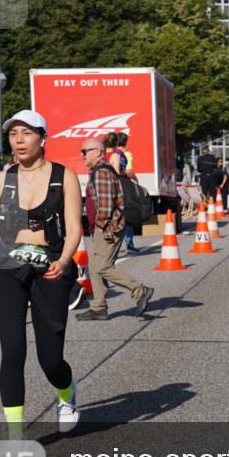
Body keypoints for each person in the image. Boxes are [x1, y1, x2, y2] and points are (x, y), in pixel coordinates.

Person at [0, 110, 83, 436]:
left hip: (50, 265)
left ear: (42, 138)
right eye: (13, 134)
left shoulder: (64, 177)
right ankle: (15, 435)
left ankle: (66, 393)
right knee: (12, 351)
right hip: (8, 265)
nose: (19, 140)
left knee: (49, 359)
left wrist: (64, 261)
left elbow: (75, 229)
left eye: (27, 133)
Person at [76, 136, 154, 321]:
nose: (82, 156)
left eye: (85, 151)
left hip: (106, 227)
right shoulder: (99, 171)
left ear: (98, 152)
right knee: (94, 267)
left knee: (102, 266)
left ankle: (139, 290)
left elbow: (105, 206)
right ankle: (99, 307)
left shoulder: (101, 173)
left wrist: (104, 228)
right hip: (104, 226)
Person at [105, 132, 139, 253]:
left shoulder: (104, 153)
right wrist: (135, 179)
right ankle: (129, 244)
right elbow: (127, 171)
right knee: (126, 215)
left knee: (111, 215)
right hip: (122, 186)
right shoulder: (125, 154)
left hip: (105, 188)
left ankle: (110, 244)